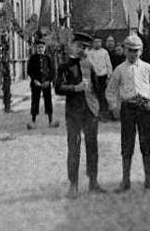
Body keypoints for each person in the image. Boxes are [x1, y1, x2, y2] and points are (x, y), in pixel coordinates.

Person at [105, 33, 150, 191]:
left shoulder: (147, 68)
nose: (133, 53)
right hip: (128, 108)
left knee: (146, 143)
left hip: (144, 108)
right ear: (124, 50)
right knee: (127, 144)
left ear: (141, 51)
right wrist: (113, 106)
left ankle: (149, 179)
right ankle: (125, 181)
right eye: (130, 50)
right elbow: (110, 90)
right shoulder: (119, 70)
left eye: (136, 50)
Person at [55, 31, 105, 199]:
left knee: (92, 148)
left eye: (85, 47)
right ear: (73, 46)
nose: (82, 50)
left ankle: (93, 182)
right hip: (74, 113)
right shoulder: (64, 66)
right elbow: (58, 88)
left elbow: (98, 88)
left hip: (90, 111)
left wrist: (100, 107)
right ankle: (73, 184)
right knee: (74, 149)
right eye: (79, 46)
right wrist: (74, 88)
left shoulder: (90, 65)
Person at [26, 40, 58, 129]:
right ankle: (33, 121)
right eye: (39, 47)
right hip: (36, 83)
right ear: (36, 48)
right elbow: (29, 70)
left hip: (46, 83)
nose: (40, 49)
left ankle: (51, 120)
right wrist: (34, 80)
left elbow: (53, 71)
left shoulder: (48, 58)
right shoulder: (33, 58)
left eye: (42, 47)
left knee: (48, 100)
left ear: (45, 48)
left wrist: (49, 81)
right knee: (35, 101)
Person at [86, 36, 113, 118]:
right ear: (93, 43)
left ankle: (105, 113)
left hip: (103, 76)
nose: (97, 44)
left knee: (104, 95)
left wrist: (109, 77)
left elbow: (109, 65)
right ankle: (96, 113)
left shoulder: (104, 52)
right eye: (95, 42)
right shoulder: (90, 53)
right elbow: (90, 65)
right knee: (95, 95)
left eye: (99, 42)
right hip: (94, 77)